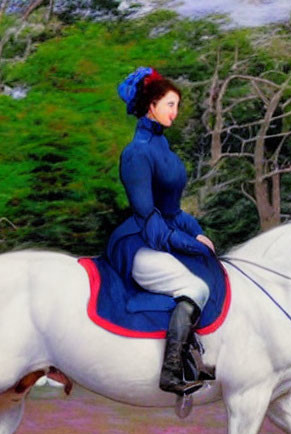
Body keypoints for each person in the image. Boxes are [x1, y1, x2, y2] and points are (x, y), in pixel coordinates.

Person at [106, 67, 217, 396]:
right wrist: (189, 244)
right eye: (170, 104)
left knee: (211, 272)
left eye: (177, 105)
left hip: (164, 233)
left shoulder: (162, 147)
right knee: (194, 288)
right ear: (150, 106)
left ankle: (194, 356)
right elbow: (150, 219)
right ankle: (170, 373)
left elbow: (173, 208)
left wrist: (196, 233)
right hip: (139, 243)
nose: (175, 112)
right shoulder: (137, 153)